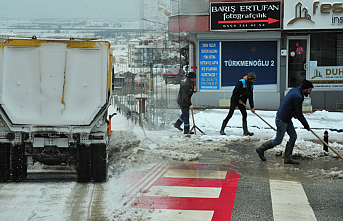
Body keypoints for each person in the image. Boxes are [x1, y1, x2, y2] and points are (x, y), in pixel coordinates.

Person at [256, 79, 313, 164]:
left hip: (286, 118)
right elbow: (299, 113)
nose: (310, 92)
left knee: (293, 136)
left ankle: (288, 158)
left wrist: (294, 114)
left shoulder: (295, 90)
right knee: (278, 141)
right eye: (309, 90)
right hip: (282, 119)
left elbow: (290, 105)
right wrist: (306, 125)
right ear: (305, 88)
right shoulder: (298, 96)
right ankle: (261, 149)